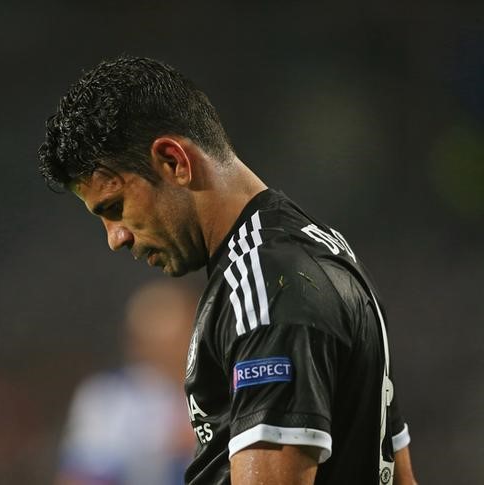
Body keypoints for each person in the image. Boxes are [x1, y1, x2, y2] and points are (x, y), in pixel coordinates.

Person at [38, 56, 417, 485]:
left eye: (114, 207)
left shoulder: (266, 284)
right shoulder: (322, 251)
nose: (115, 237)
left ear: (174, 161)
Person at [55, 280, 197, 485]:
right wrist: (164, 448)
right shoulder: (107, 397)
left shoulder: (227, 389)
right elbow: (81, 477)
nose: (179, 349)